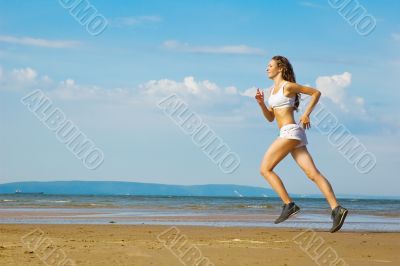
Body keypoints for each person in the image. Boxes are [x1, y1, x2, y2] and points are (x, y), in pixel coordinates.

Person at [255, 55, 348, 233]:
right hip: (290, 133)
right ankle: (337, 209)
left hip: (290, 131)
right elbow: (270, 118)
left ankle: (289, 204)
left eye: (270, 66)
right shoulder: (273, 91)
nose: (267, 68)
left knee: (265, 169)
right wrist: (261, 104)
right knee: (312, 174)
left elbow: (316, 93)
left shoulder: (288, 86)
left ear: (280, 68)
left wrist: (306, 114)